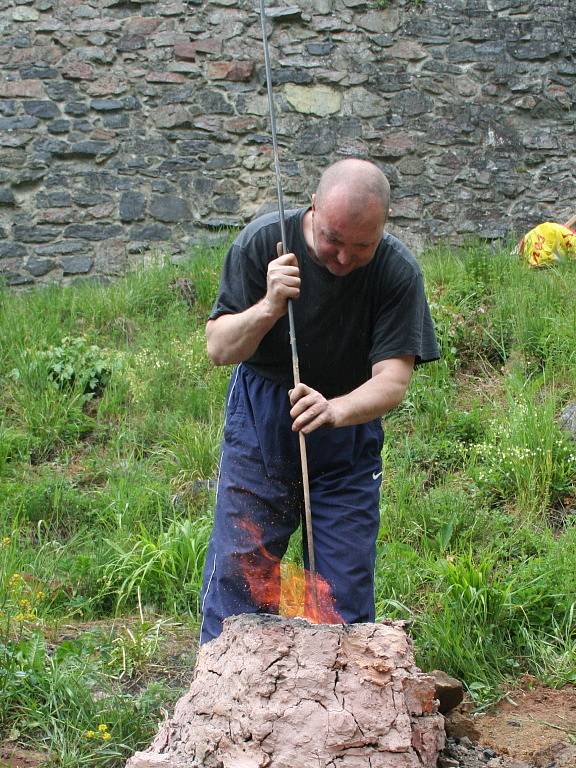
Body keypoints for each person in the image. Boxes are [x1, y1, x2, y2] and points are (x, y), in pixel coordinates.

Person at [199, 158, 439, 644]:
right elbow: (219, 348)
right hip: (262, 417)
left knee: (341, 596)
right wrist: (268, 306)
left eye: (361, 246)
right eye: (333, 240)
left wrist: (335, 411)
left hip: (347, 428)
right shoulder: (264, 242)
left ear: (383, 229)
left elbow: (392, 381)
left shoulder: (396, 272)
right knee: (241, 574)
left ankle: (341, 712)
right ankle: (224, 706)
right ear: (312, 208)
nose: (345, 258)